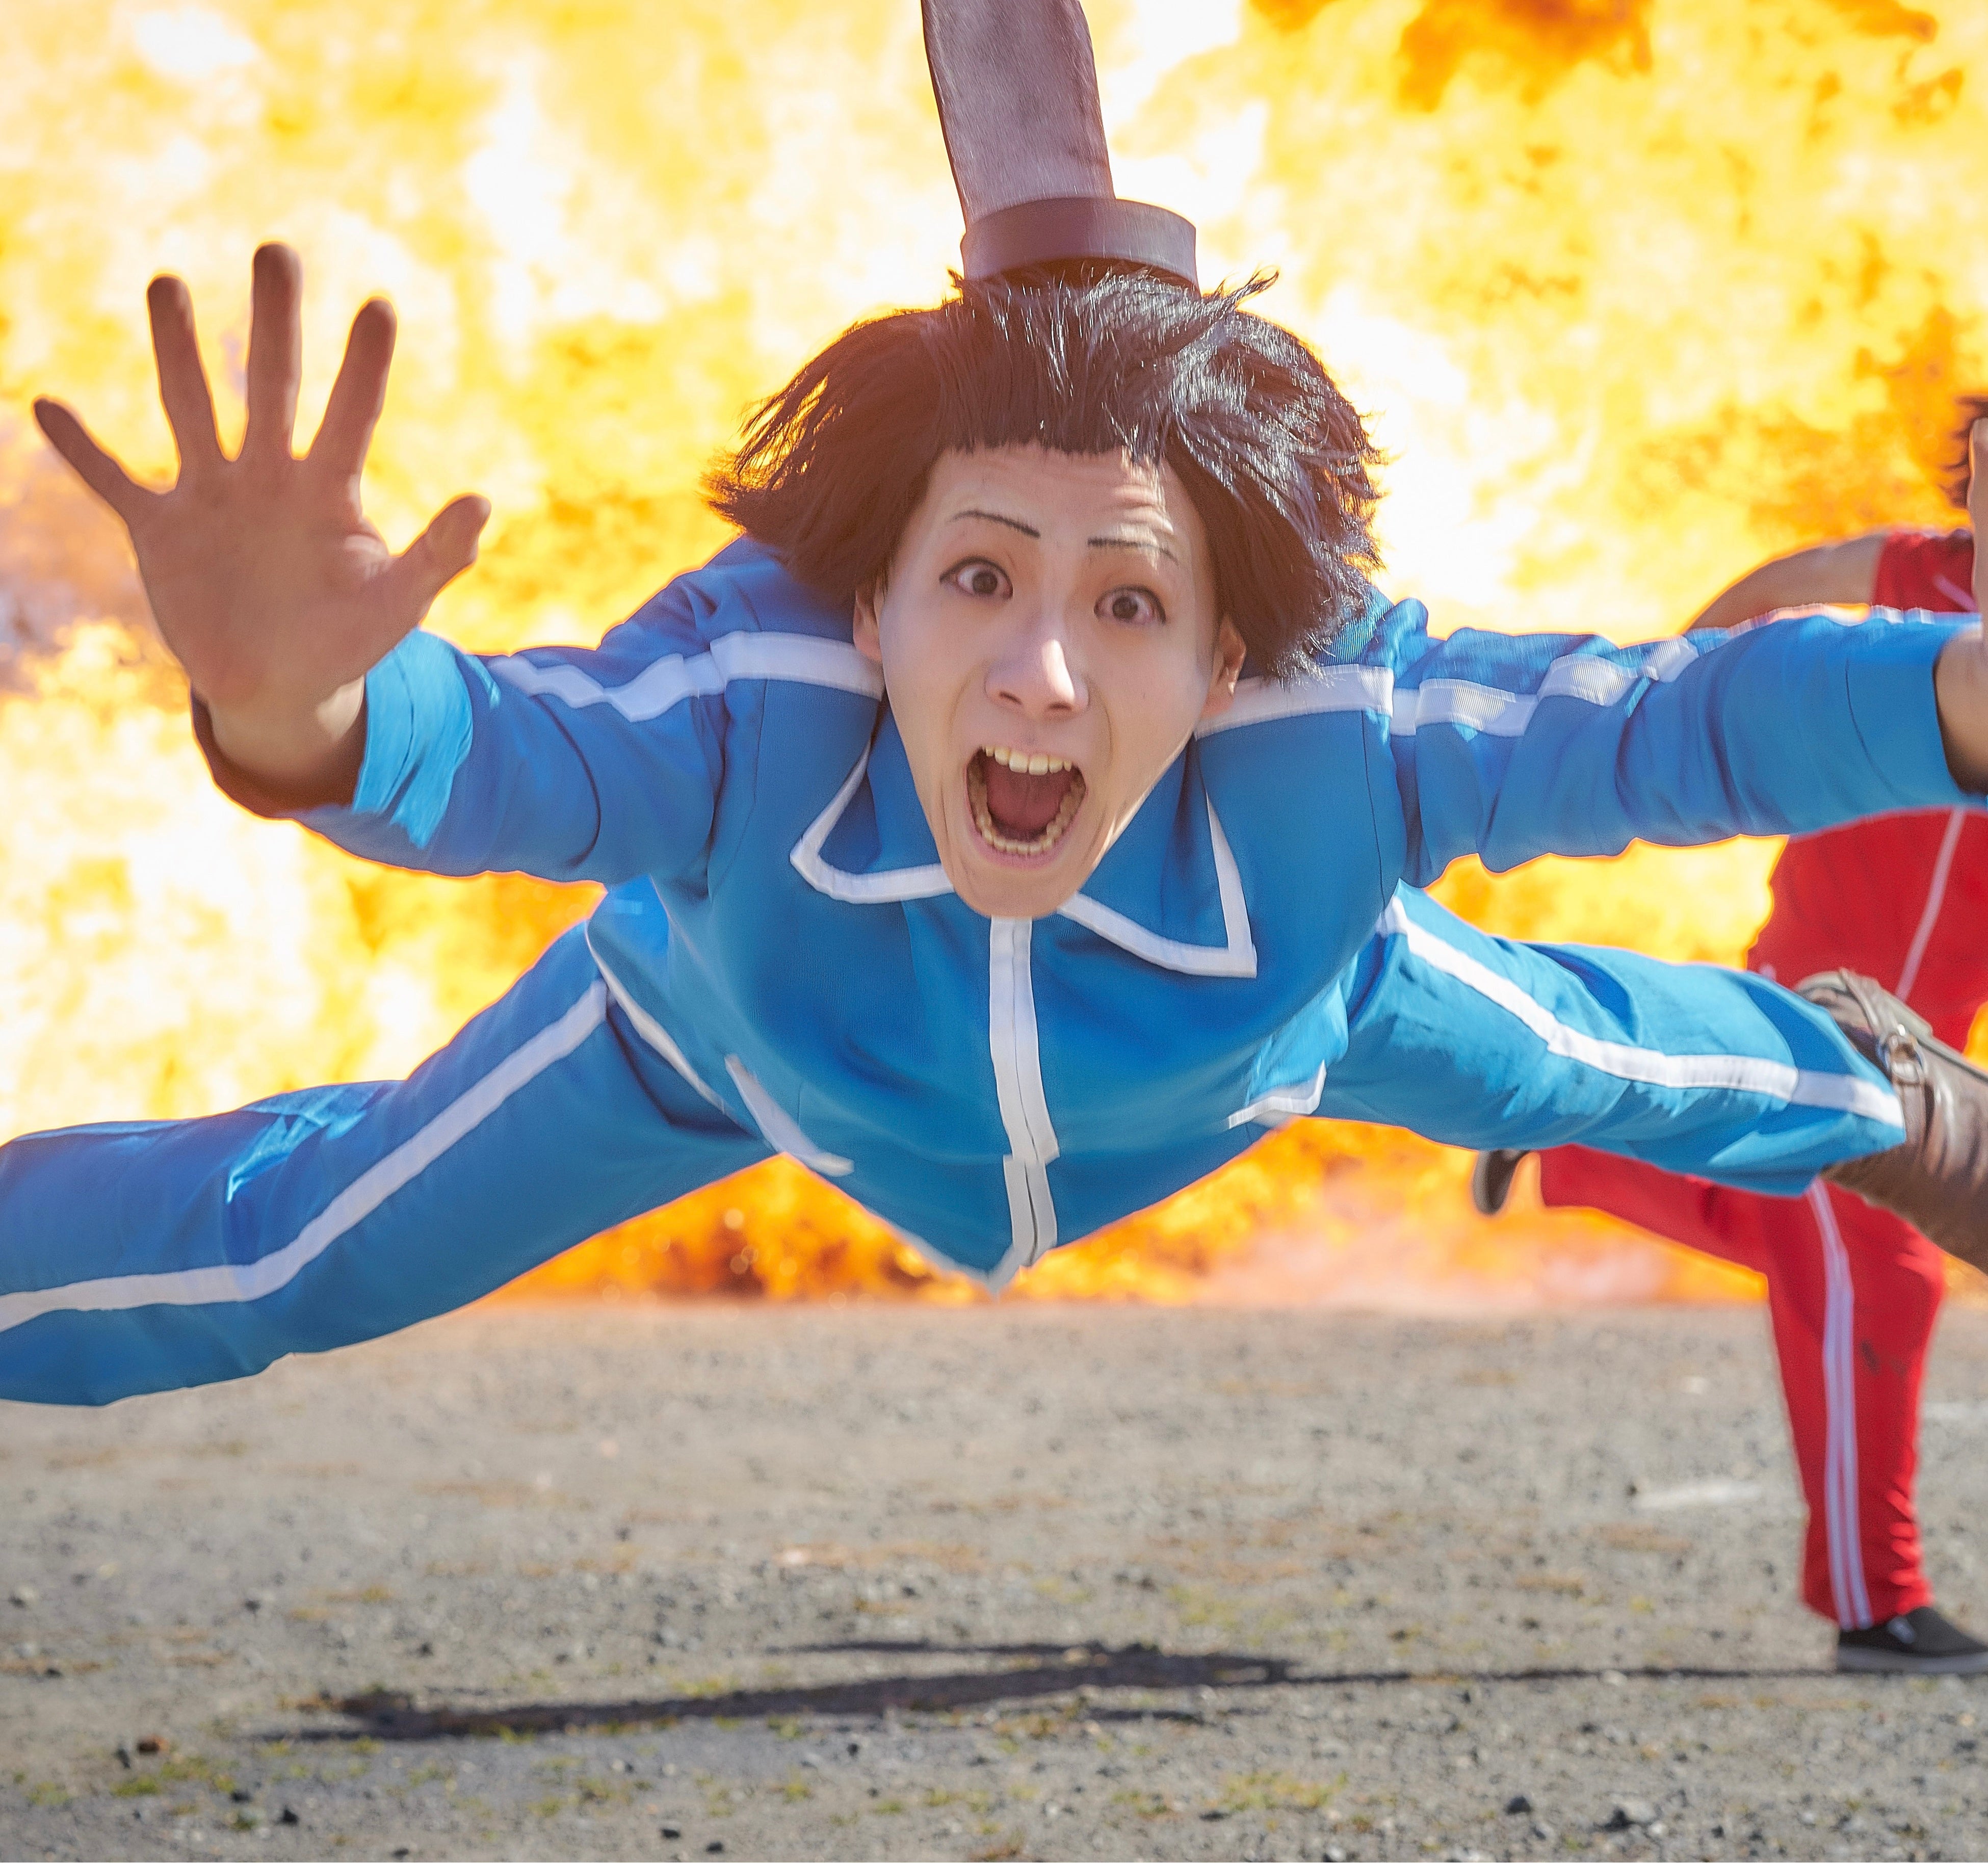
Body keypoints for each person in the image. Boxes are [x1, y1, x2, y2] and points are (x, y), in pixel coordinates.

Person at [1472, 398, 1988, 1673]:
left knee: (1786, 1219)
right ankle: (1876, 1602)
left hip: (1918, 1044)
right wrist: (1661, 703)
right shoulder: (1910, 577)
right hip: (1821, 1006)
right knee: (1876, 1271)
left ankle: (1568, 1124)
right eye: (1983, 470)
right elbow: (1774, 594)